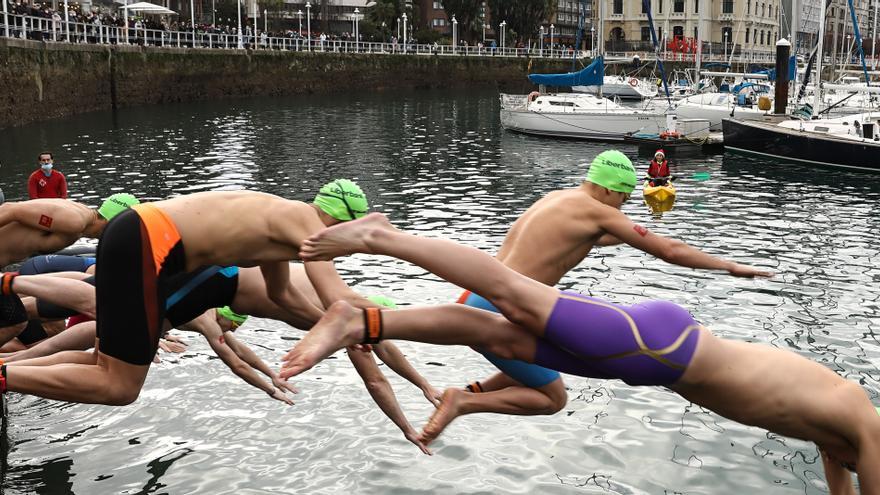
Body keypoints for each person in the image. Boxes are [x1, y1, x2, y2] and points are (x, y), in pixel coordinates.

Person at [280, 213, 879, 492]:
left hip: (652, 363)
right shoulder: (865, 427)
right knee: (508, 295)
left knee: (491, 331)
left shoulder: (841, 435)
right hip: (661, 348)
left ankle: (363, 320)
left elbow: (843, 477)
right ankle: (381, 237)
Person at [0, 183, 436, 426]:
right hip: (151, 245)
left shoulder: (281, 226)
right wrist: (384, 324)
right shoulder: (307, 227)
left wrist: (338, 332)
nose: (341, 254)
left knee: (107, 368)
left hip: (139, 236)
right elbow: (341, 302)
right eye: (348, 242)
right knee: (118, 385)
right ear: (339, 224)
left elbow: (285, 296)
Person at [431, 150, 771, 442]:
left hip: (476, 297)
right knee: (552, 398)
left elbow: (605, 235)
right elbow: (668, 250)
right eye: (623, 200)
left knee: (554, 353)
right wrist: (729, 266)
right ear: (609, 189)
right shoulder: (597, 212)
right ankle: (463, 402)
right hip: (500, 310)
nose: (622, 210)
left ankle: (473, 392)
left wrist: (647, 223)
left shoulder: (558, 200)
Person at [0, 193, 138, 266]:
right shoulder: (74, 222)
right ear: (113, 221)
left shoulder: (78, 224)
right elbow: (11, 209)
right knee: (18, 319)